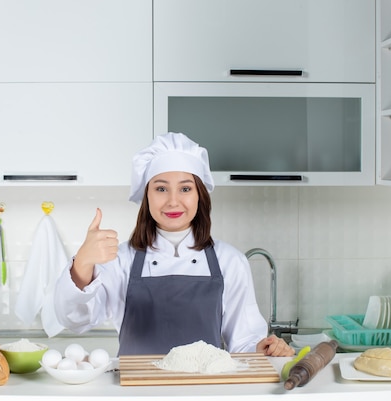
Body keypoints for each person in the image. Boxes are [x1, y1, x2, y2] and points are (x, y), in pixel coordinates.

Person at [53, 132, 294, 357]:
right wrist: (83, 262)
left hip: (204, 391)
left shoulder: (229, 261)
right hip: (136, 391)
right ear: (146, 195)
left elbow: (244, 341)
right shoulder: (121, 259)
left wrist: (263, 348)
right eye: (161, 188)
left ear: (200, 195)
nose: (173, 201)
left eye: (185, 189)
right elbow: (74, 320)